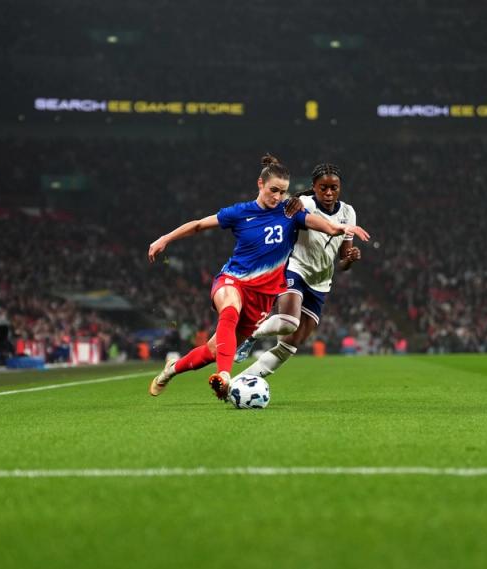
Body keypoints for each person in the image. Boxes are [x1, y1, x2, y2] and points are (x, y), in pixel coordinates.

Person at [147, 155, 369, 401]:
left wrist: (342, 229)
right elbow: (199, 225)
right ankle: (224, 376)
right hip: (234, 279)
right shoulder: (240, 212)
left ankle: (171, 370)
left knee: (212, 351)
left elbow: (325, 226)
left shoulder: (290, 213)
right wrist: (164, 238)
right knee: (229, 311)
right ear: (260, 184)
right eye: (273, 190)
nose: (277, 197)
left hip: (262, 297)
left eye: (283, 192)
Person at [234, 163, 363, 378]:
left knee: (292, 344)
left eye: (334, 188)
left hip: (321, 281)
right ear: (314, 187)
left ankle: (240, 382)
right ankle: (250, 334)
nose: (329, 192)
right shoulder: (303, 204)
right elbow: (279, 210)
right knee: (288, 322)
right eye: (323, 188)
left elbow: (343, 262)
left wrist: (351, 258)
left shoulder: (348, 213)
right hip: (295, 269)